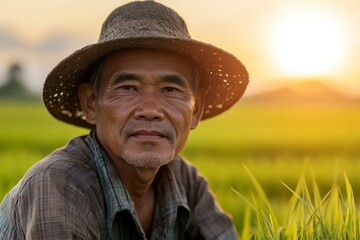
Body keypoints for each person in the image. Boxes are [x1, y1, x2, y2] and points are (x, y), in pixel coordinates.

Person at [0, 1, 249, 239]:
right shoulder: (58, 186)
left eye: (171, 90)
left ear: (196, 111)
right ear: (91, 104)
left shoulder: (184, 180)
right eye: (128, 88)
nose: (150, 110)